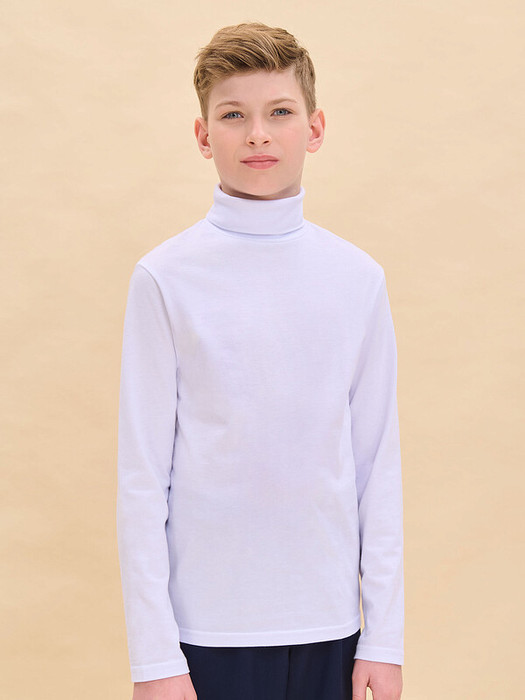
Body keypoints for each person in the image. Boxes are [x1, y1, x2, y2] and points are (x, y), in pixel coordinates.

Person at [116, 21, 404, 700]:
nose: (257, 135)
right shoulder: (164, 278)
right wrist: (154, 657)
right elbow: (142, 479)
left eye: (279, 112)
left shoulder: (356, 278)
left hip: (329, 627)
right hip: (205, 632)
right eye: (233, 116)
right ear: (202, 135)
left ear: (314, 128)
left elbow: (375, 467)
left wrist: (384, 638)